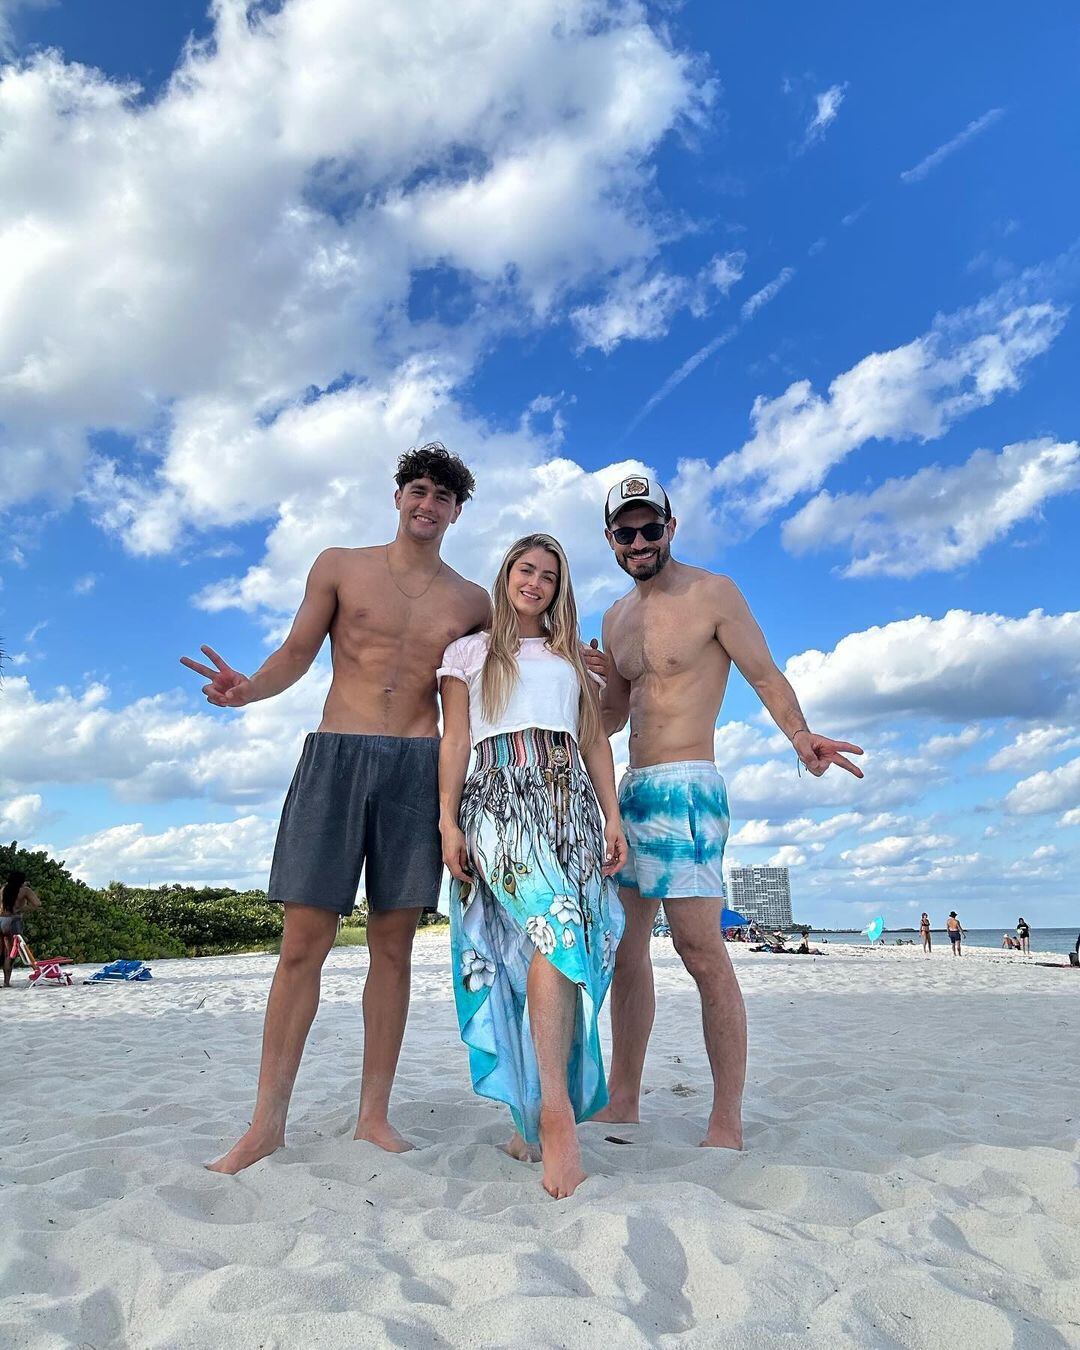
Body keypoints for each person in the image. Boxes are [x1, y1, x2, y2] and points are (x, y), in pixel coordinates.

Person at [181, 443, 493, 1174]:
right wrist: (247, 689)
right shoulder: (338, 565)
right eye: (418, 489)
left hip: (419, 766)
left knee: (393, 946)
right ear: (398, 496)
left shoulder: (472, 601)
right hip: (335, 756)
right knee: (302, 945)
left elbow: (484, 688)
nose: (428, 504)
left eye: (443, 497)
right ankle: (266, 1124)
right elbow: (295, 651)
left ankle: (373, 1116)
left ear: (456, 511)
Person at [593, 475, 864, 1148]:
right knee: (626, 953)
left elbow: (765, 675)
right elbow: (615, 715)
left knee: (700, 948)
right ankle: (623, 1099)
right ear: (611, 541)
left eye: (649, 528)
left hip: (689, 786)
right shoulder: (614, 617)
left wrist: (802, 737)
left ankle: (726, 1118)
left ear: (670, 527)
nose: (639, 541)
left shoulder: (713, 592)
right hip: (633, 790)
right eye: (625, 532)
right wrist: (587, 679)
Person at [438, 534, 626, 1199]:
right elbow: (455, 739)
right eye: (527, 570)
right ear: (507, 574)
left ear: (560, 587)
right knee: (546, 936)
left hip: (567, 801)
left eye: (550, 575)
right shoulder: (470, 652)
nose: (536, 583)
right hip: (495, 801)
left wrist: (613, 815)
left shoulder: (574, 658)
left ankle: (535, 1115)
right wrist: (446, 820)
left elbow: (596, 742)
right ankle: (554, 1114)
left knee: (551, 948)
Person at [1, 871, 41, 987]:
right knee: (11, 953)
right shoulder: (25, 890)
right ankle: (6, 982)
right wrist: (21, 909)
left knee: (2, 953)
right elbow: (37, 904)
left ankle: (5, 982)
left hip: (0, 919)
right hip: (12, 921)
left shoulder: (3, 889)